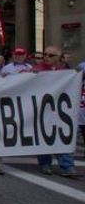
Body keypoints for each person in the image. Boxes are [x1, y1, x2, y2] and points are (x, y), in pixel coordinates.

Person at [34, 46, 79, 178]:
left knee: (65, 135)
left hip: (61, 110)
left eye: (51, 55)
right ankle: (45, 164)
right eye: (45, 54)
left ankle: (67, 165)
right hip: (42, 109)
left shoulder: (67, 72)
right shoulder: (36, 70)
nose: (47, 57)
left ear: (59, 57)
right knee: (43, 136)